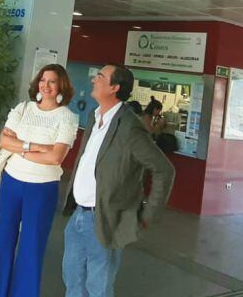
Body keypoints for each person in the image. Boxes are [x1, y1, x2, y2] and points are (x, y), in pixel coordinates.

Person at [62, 64, 175, 297]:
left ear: (114, 87)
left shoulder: (130, 128)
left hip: (105, 218)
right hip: (78, 218)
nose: (94, 79)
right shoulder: (95, 118)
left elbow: (164, 169)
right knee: (72, 281)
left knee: (98, 288)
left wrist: (148, 213)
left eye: (100, 77)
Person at [0, 64, 78, 297]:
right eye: (43, 80)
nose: (46, 85)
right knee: (3, 241)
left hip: (42, 188)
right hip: (12, 182)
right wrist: (35, 147)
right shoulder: (23, 108)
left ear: (61, 86)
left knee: (32, 247)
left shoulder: (67, 117)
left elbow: (56, 157)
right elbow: (4, 142)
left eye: (52, 81)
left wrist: (21, 148)